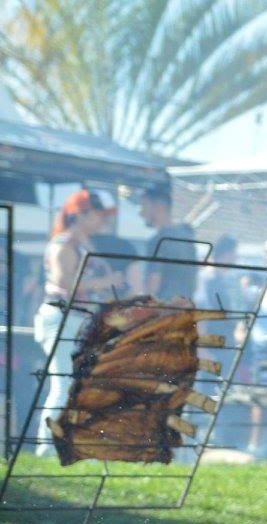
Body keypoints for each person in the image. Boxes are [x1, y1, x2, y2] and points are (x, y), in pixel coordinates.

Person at [33, 190, 118, 454]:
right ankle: (47, 450)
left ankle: (71, 448)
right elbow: (63, 281)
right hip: (61, 317)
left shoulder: (85, 243)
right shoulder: (65, 243)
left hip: (78, 320)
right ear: (80, 214)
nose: (104, 220)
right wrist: (105, 282)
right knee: (64, 384)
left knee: (79, 385)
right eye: (99, 214)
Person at [137, 182, 199, 300]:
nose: (141, 214)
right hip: (185, 311)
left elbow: (153, 284)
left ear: (159, 207)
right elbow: (195, 282)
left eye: (144, 207)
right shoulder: (188, 238)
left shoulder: (157, 241)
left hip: (163, 311)